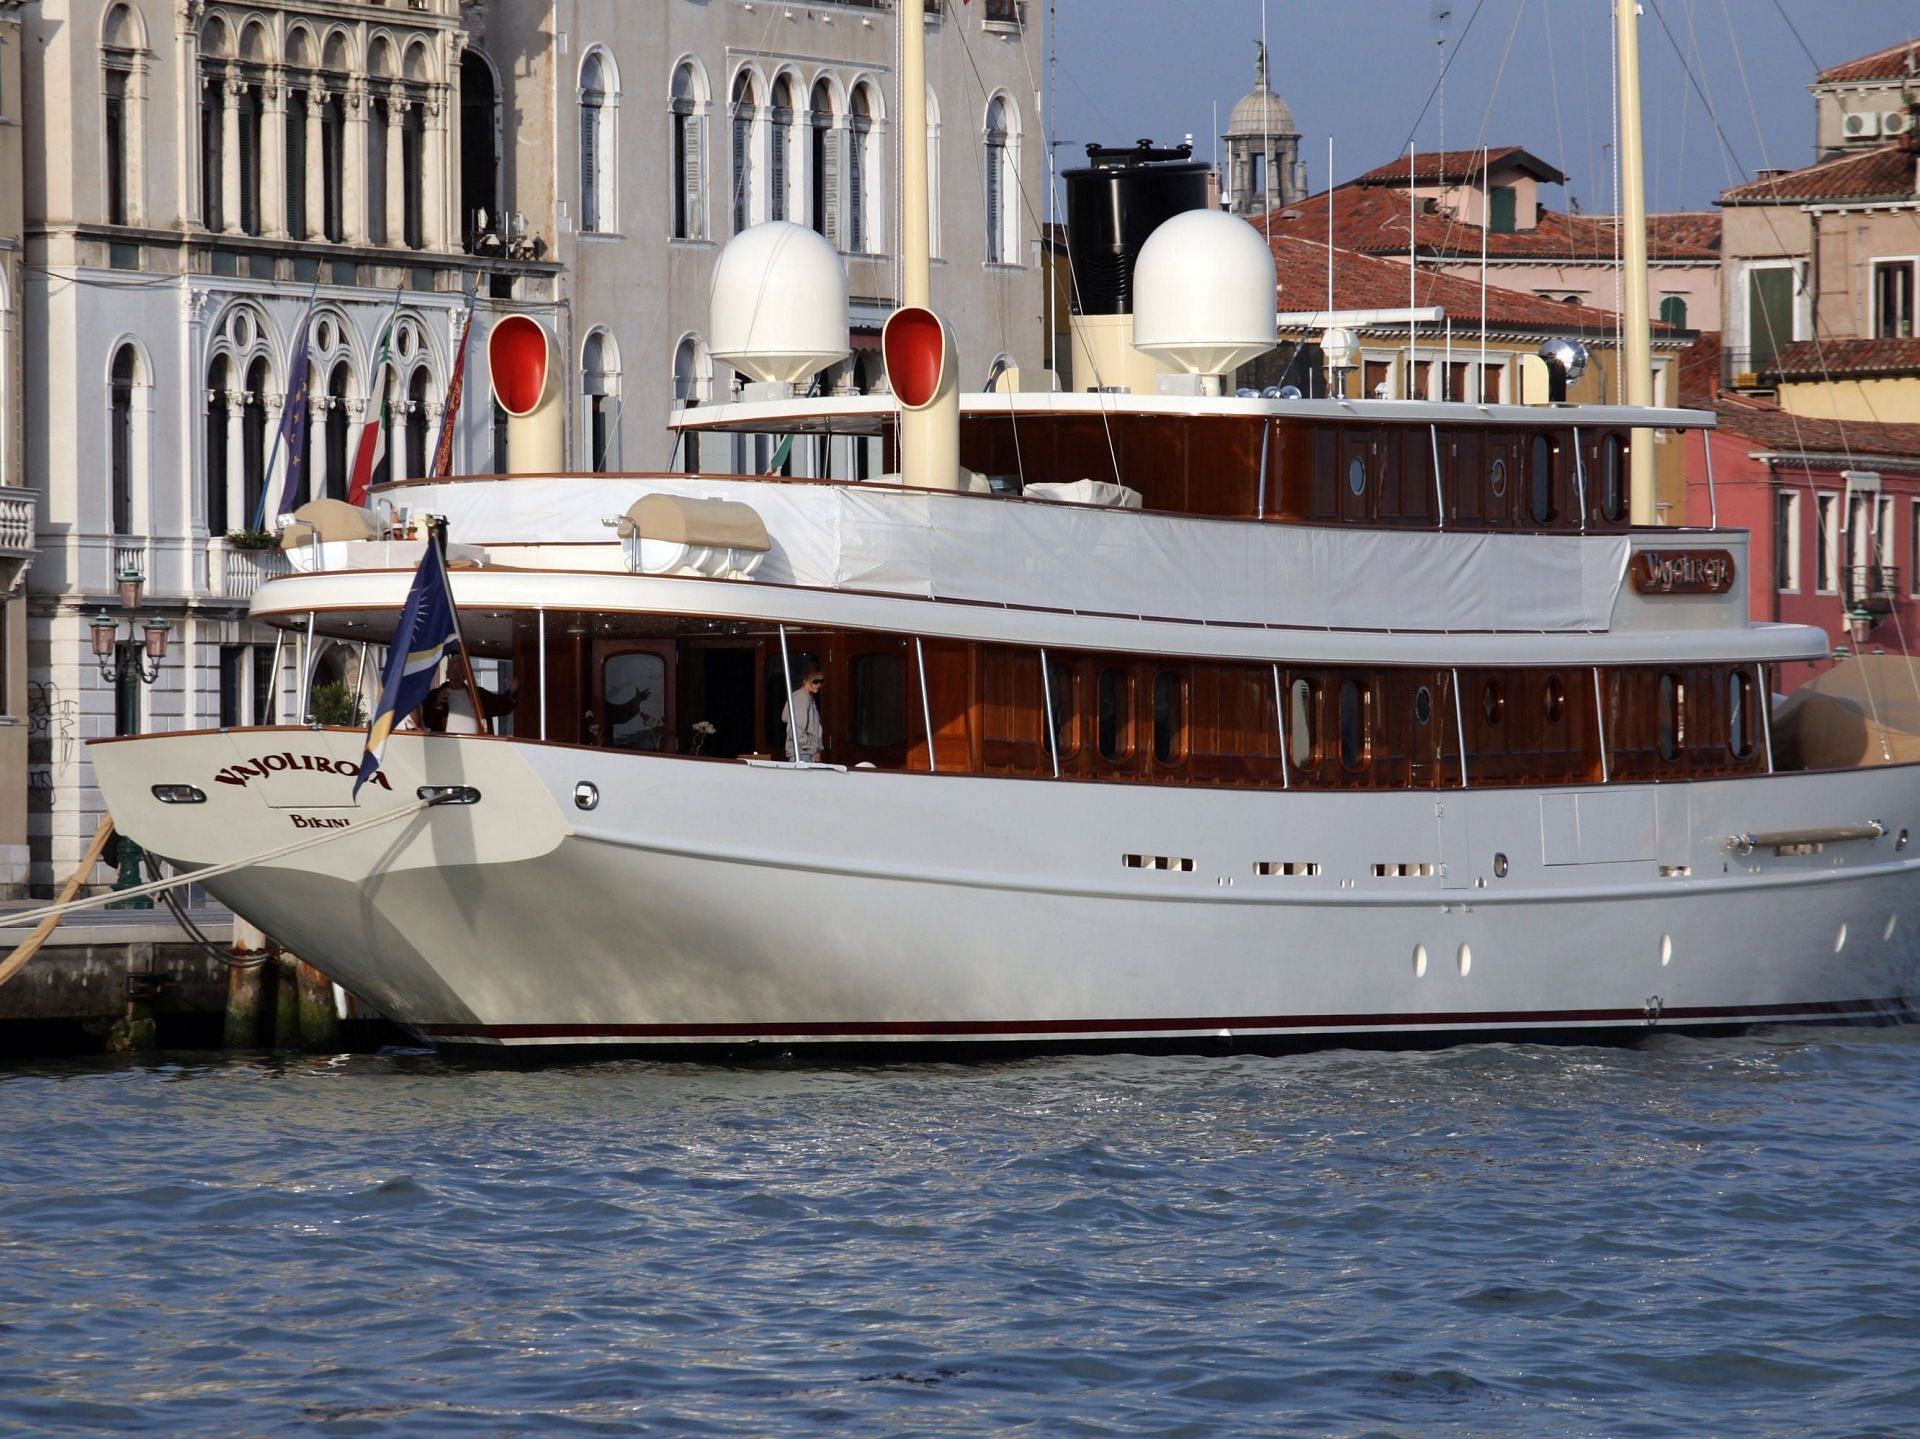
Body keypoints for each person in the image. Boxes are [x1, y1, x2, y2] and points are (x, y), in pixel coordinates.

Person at [420, 651, 519, 734]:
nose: (456, 675)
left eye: (459, 671)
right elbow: (427, 721)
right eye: (453, 671)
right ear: (447, 674)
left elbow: (502, 706)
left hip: (475, 747)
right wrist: (437, 702)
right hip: (446, 747)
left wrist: (512, 691)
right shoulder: (435, 695)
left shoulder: (478, 694)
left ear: (465, 675)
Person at [781, 664, 824, 763]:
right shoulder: (801, 698)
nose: (819, 685)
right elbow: (796, 731)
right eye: (815, 681)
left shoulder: (807, 698)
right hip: (803, 754)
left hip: (804, 753)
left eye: (821, 681)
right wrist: (813, 750)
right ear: (806, 680)